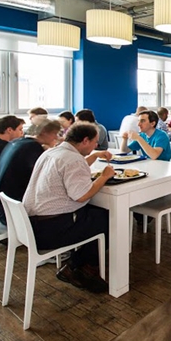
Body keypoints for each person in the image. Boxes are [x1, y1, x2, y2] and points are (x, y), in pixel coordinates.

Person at [22, 122, 114, 293]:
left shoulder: (53, 152)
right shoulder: (73, 159)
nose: (96, 145)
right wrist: (104, 176)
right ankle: (81, 268)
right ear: (85, 140)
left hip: (29, 224)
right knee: (108, 219)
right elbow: (82, 195)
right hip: (51, 230)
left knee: (96, 214)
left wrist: (94, 156)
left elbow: (70, 170)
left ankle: (79, 263)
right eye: (95, 142)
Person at [0, 120, 61, 226]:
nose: (56, 138)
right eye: (55, 134)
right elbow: (48, 176)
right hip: (12, 212)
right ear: (44, 132)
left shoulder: (18, 142)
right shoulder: (33, 149)